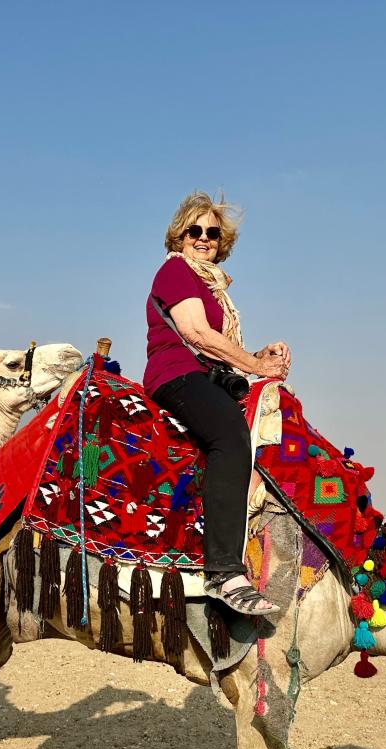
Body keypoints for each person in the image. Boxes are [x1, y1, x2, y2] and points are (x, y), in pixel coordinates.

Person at [143, 191, 290, 615]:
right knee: (230, 435)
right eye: (195, 230)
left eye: (212, 232)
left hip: (207, 376)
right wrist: (256, 366)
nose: (203, 238)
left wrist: (262, 357)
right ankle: (224, 572)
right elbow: (197, 334)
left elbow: (221, 345)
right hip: (176, 374)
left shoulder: (213, 286)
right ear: (180, 236)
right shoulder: (175, 271)